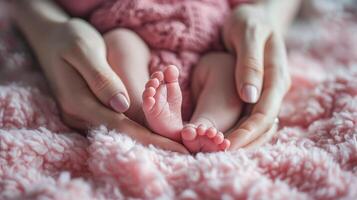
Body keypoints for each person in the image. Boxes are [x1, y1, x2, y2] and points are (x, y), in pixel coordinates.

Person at [10, 0, 300, 153]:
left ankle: (205, 124)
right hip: (137, 46)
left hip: (205, 53)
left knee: (226, 70)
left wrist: (259, 14)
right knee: (120, 45)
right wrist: (48, 24)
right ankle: (143, 114)